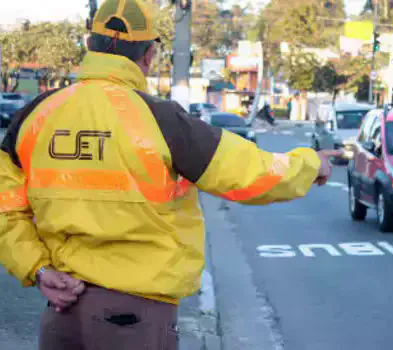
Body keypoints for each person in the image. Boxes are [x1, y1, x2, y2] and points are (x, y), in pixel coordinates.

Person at [0, 0, 342, 349]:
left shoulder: (34, 116)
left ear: (90, 46)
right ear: (148, 55)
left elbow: (5, 209)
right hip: (134, 319)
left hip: (60, 314)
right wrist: (311, 164)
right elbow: (249, 174)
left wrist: (38, 269)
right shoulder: (159, 119)